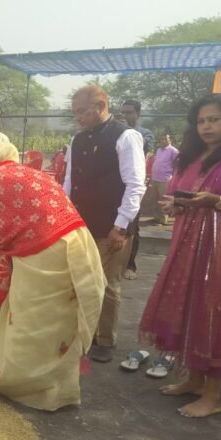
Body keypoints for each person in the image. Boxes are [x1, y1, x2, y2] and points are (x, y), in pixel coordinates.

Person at [139, 94, 221, 418]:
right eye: (201, 121)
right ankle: (195, 380)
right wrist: (178, 204)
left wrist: (220, 201)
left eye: (214, 119)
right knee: (190, 310)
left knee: (218, 315)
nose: (207, 126)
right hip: (190, 249)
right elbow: (186, 195)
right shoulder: (195, 156)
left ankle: (212, 396)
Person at [0, 143, 105, 411]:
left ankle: (20, 386)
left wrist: (4, 247)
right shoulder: (31, 173)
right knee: (60, 319)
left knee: (30, 318)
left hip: (42, 250)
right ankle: (58, 391)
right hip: (76, 241)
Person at [63, 85, 145, 363]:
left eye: (82, 112)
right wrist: (64, 215)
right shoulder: (78, 139)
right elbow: (69, 182)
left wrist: (120, 226)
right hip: (82, 224)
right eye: (75, 113)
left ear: (100, 106)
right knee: (82, 281)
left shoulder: (125, 136)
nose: (78, 118)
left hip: (113, 226)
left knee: (107, 284)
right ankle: (85, 333)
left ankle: (105, 340)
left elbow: (135, 186)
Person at [119, 99, 154, 281]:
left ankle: (130, 264)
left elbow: (143, 148)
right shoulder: (115, 132)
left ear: (137, 114)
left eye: (129, 112)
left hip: (134, 187)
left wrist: (127, 133)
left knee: (133, 227)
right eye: (123, 112)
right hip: (117, 186)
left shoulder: (144, 134)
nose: (125, 116)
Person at [147, 134, 179, 225]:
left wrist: (174, 177)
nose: (163, 141)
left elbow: (177, 165)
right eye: (162, 139)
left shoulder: (173, 151)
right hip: (155, 178)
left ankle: (164, 219)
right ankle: (156, 217)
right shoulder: (158, 150)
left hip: (165, 179)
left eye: (165, 139)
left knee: (164, 200)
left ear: (170, 140)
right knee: (155, 199)